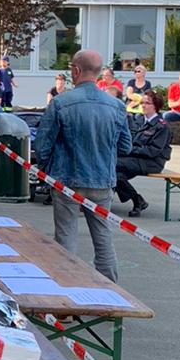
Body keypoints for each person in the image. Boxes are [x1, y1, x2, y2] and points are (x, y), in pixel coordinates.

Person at [34, 49, 131, 281]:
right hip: (102, 181)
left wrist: (46, 174)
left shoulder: (60, 102)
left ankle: (66, 294)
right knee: (103, 238)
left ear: (75, 71)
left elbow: (43, 145)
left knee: (66, 238)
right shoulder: (116, 106)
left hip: (66, 181)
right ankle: (109, 293)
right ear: (98, 74)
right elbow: (126, 146)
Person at [114, 90, 172, 217]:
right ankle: (137, 200)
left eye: (147, 103)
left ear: (156, 106)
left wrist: (130, 150)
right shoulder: (140, 121)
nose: (143, 105)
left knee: (114, 165)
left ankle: (135, 200)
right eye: (142, 103)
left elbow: (153, 151)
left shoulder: (162, 126)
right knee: (115, 173)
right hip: (136, 158)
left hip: (152, 162)